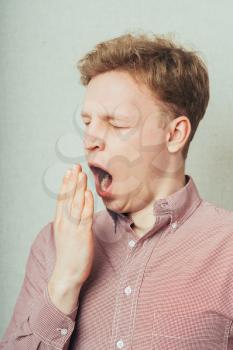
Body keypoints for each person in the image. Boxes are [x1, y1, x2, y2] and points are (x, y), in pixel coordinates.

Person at [1, 31, 233, 350]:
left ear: (174, 134)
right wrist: (65, 281)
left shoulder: (227, 249)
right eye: (88, 122)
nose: (90, 140)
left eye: (116, 123)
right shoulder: (52, 245)